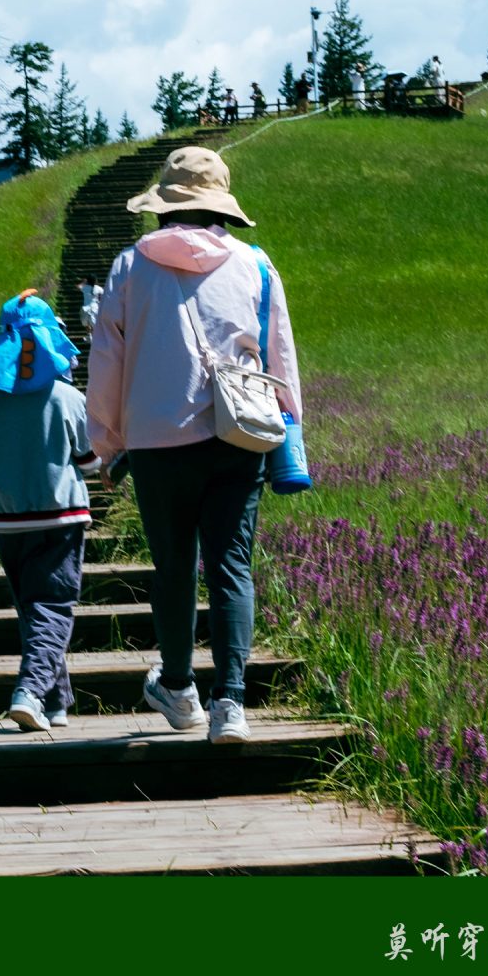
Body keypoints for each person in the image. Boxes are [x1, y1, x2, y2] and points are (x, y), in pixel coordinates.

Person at [86, 147, 302, 745]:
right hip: (238, 436)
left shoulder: (131, 266)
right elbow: (280, 353)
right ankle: (231, 701)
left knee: (173, 565)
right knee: (232, 565)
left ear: (165, 207)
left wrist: (105, 443)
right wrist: (291, 426)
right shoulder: (256, 265)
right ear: (221, 209)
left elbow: (107, 359)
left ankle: (180, 689)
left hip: (157, 441)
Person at [0, 291, 101, 733]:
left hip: (7, 518)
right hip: (60, 515)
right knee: (54, 605)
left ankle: (55, 702)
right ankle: (30, 692)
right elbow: (91, 459)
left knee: (31, 609)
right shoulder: (67, 396)